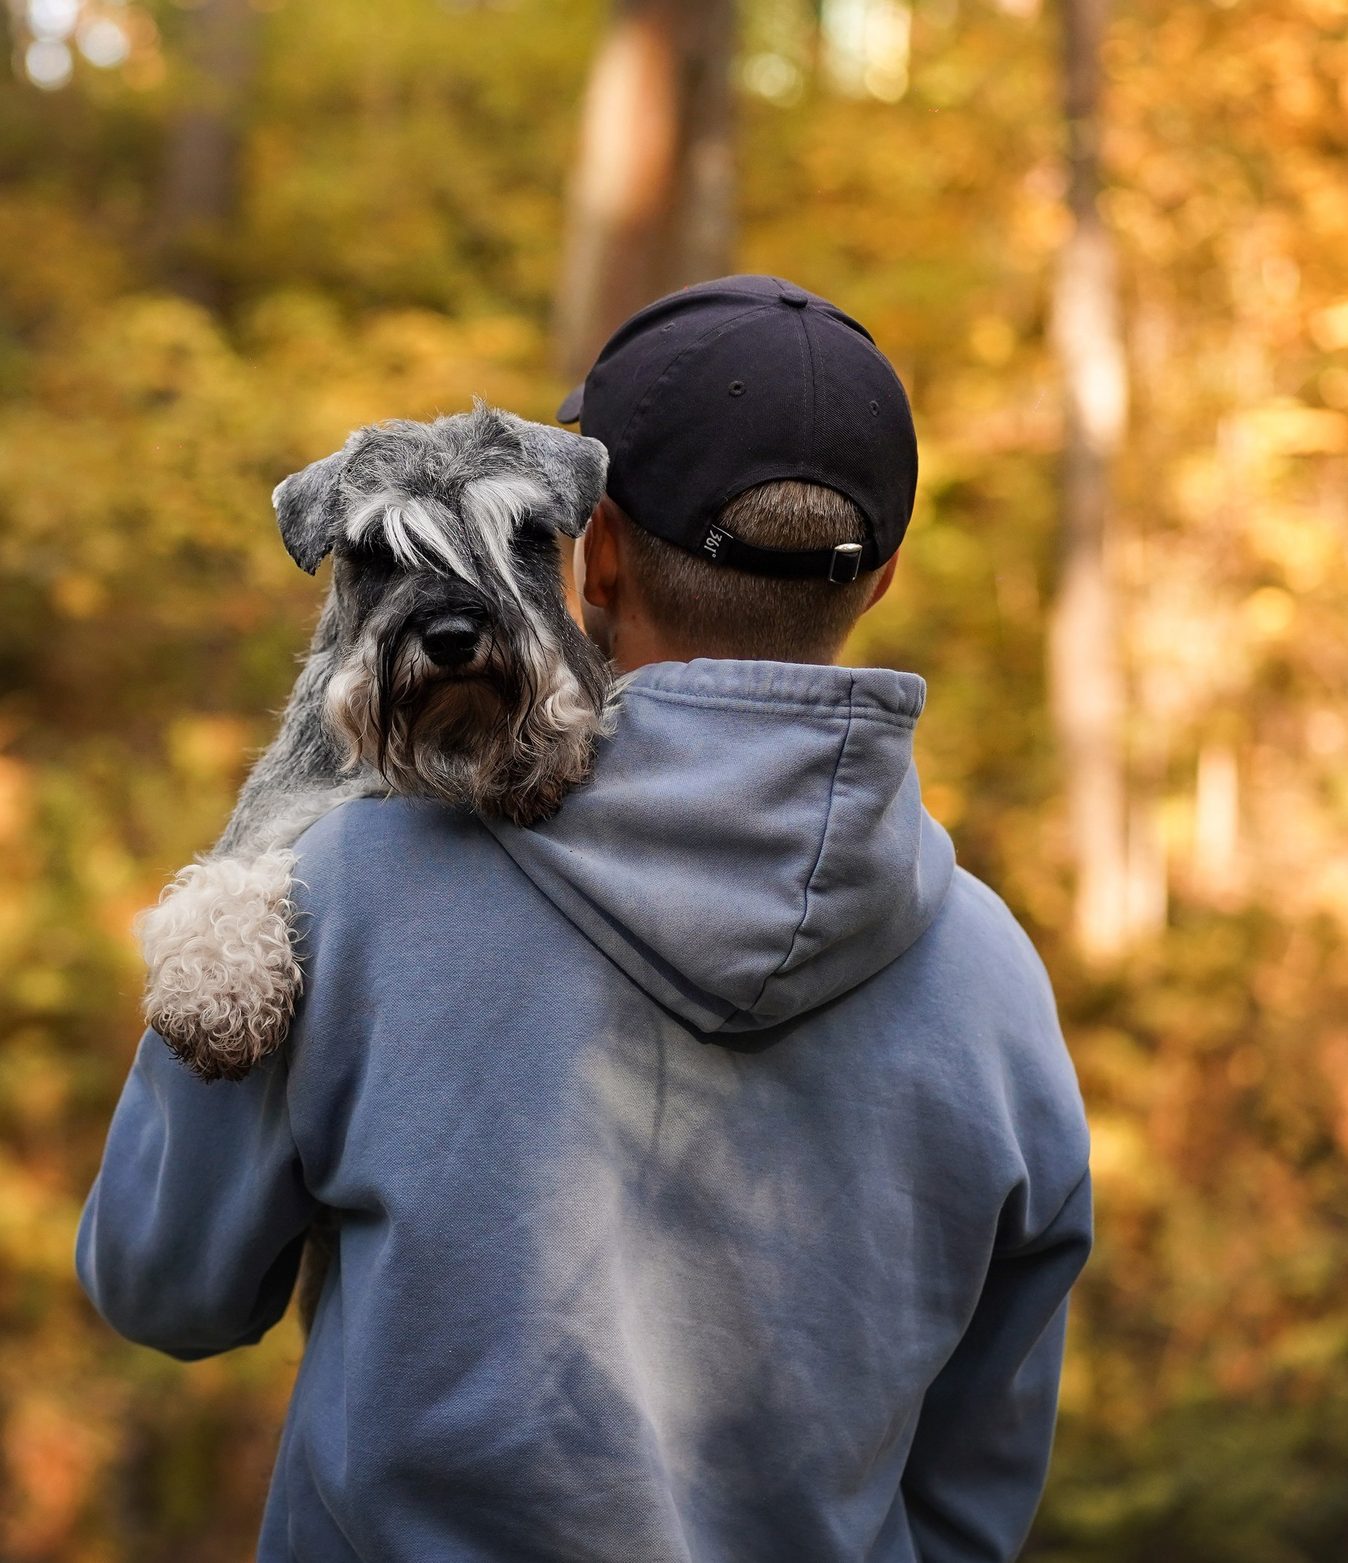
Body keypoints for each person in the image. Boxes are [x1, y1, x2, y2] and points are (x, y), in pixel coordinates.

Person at [78, 275, 1092, 1562]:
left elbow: (160, 1284)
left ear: (592, 551)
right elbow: (972, 1494)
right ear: (882, 575)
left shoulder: (351, 890)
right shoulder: (999, 982)